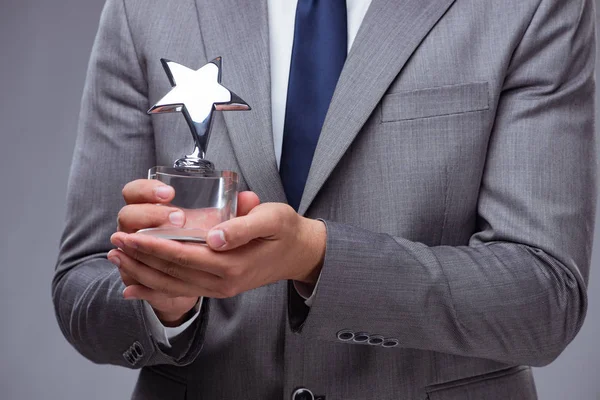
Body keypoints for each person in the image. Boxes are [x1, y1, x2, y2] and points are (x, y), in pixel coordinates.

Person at [53, 0, 596, 398]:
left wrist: (317, 257)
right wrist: (163, 301)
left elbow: (544, 300)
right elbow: (80, 283)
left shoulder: (532, 8)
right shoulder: (142, 9)